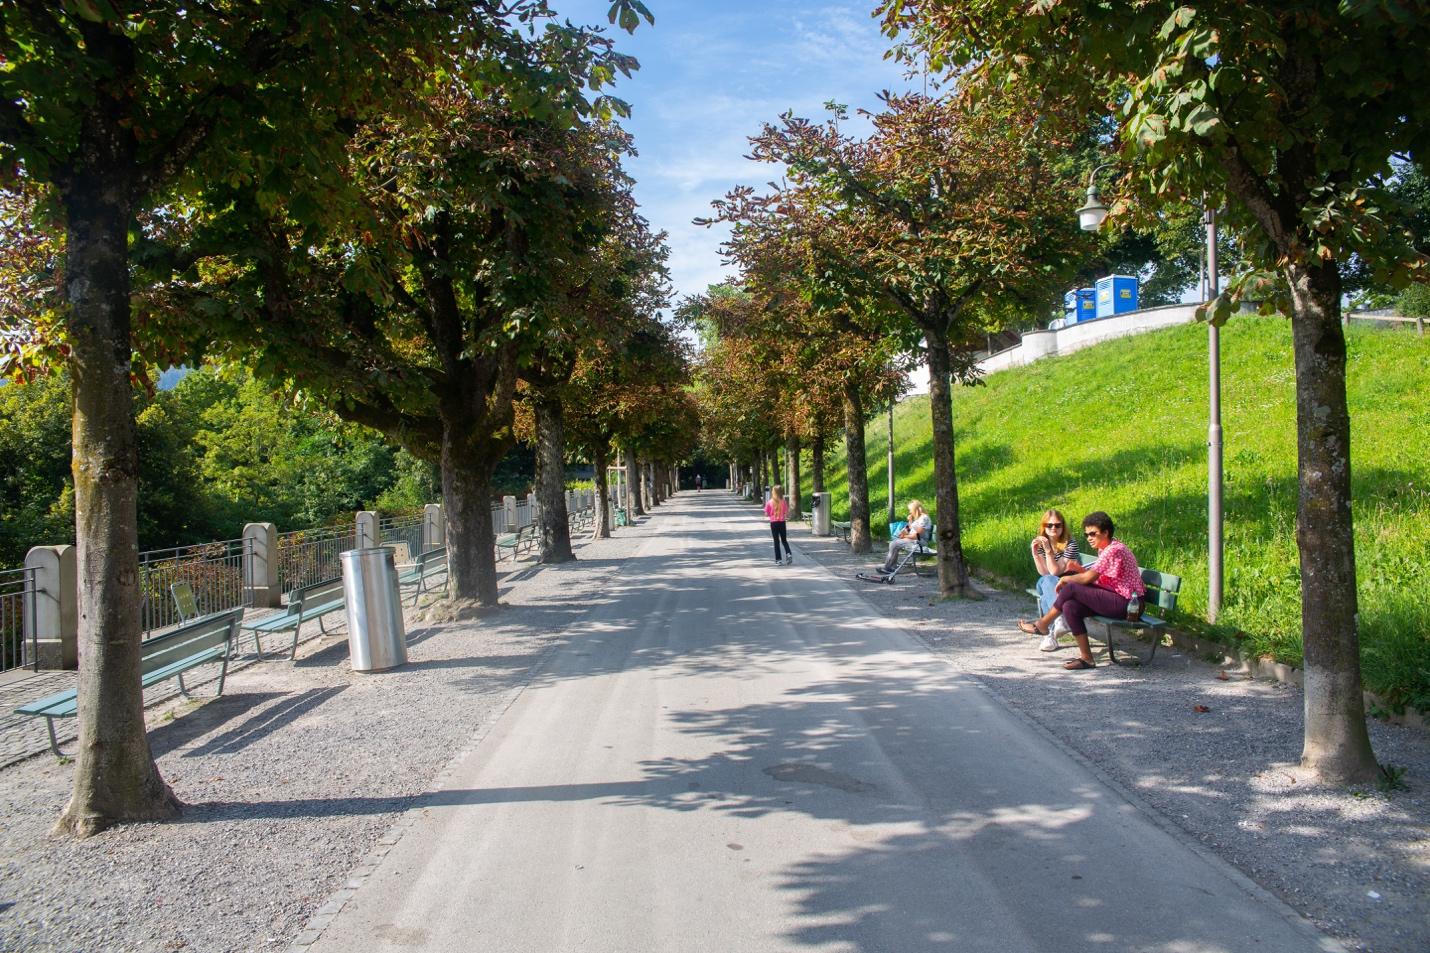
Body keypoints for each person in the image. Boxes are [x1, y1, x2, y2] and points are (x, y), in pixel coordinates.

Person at [1019, 511, 1146, 670]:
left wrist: (1066, 579)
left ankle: (1043, 624)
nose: (1089, 538)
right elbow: (1099, 578)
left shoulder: (1114, 550)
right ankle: (1087, 659)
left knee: (1071, 586)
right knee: (1070, 606)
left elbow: (1087, 579)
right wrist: (1077, 570)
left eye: (1093, 534)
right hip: (1115, 597)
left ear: (1106, 532)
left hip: (1128, 604)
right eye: (1086, 535)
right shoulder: (1106, 548)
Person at [1028, 509, 1080, 652]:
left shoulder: (1070, 544)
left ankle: (1049, 636)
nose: (1053, 528)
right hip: (1047, 582)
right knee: (1048, 581)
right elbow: (1044, 572)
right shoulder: (1041, 543)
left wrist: (1049, 551)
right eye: (1049, 525)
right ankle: (1058, 620)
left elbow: (1056, 571)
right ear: (1043, 526)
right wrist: (1035, 554)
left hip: (1066, 583)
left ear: (1063, 526)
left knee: (1047, 592)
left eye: (1058, 525)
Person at [878, 500, 932, 575]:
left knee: (894, 544)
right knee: (894, 542)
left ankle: (889, 567)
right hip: (914, 540)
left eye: (910, 510)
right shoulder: (917, 519)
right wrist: (903, 532)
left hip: (920, 542)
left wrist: (905, 536)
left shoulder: (924, 518)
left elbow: (917, 536)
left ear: (915, 509)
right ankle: (891, 567)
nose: (910, 512)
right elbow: (908, 530)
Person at [765, 484, 794, 565]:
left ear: (773, 492)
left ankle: (778, 560)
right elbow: (786, 513)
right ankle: (788, 553)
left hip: (774, 523)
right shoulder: (783, 502)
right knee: (784, 540)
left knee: (776, 541)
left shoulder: (770, 502)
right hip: (782, 523)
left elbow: (766, 514)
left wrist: (771, 514)